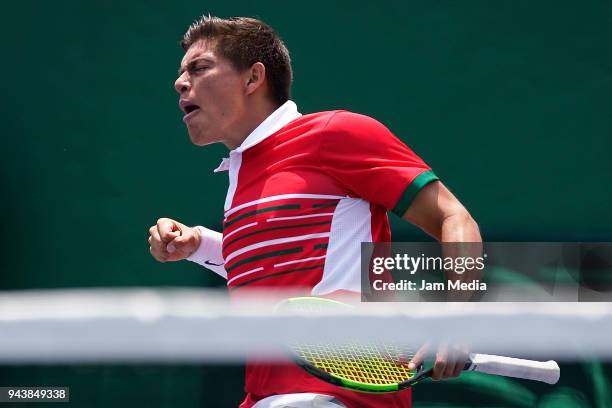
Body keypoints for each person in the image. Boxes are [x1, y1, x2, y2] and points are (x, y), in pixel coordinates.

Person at [148, 15, 482, 408]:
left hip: (332, 399)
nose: (180, 82)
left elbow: (454, 219)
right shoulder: (240, 174)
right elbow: (281, 269)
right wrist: (199, 244)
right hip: (268, 397)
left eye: (199, 67)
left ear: (253, 78)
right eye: (182, 72)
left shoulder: (334, 134)